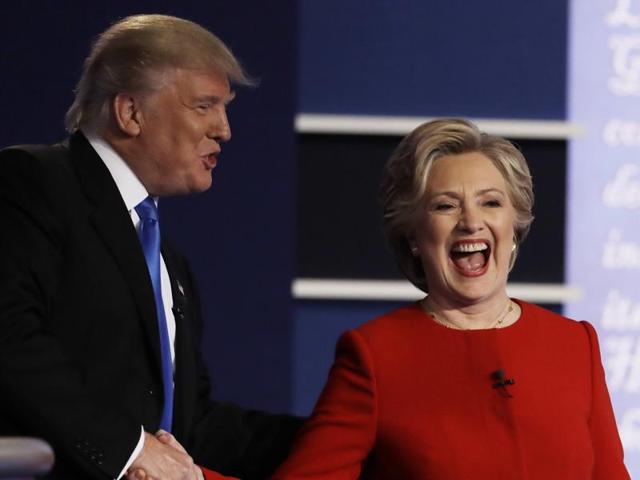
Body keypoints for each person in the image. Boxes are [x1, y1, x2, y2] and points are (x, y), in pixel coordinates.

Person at [0, 14, 301, 480]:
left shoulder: (167, 262)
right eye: (204, 106)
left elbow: (191, 429)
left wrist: (351, 433)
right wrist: (127, 449)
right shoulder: (32, 182)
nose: (224, 130)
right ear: (131, 113)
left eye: (225, 108)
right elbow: (9, 338)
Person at [272, 118, 630, 479]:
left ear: (515, 225)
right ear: (414, 236)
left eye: (490, 202)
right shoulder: (375, 355)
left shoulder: (574, 345)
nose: (471, 221)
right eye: (446, 206)